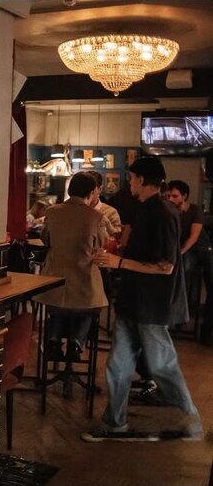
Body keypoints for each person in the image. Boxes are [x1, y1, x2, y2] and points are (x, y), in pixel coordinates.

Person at [84, 157, 202, 442]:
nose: (129, 183)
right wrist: (119, 256)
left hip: (152, 304)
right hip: (133, 301)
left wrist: (119, 262)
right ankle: (115, 423)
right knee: (118, 365)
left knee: (162, 365)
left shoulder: (162, 213)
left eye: (132, 177)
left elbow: (166, 266)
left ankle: (191, 422)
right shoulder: (146, 209)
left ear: (142, 179)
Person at [32, 172, 108, 362]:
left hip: (53, 282)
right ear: (91, 193)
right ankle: (76, 342)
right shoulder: (96, 217)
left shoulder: (52, 212)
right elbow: (101, 244)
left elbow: (46, 238)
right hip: (84, 282)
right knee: (90, 304)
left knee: (58, 305)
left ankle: (53, 340)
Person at [167, 180, 213, 345]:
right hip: (186, 251)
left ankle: (205, 328)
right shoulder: (170, 212)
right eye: (169, 196)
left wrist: (179, 253)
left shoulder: (194, 210)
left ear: (184, 196)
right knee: (182, 274)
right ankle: (180, 315)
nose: (171, 199)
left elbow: (194, 237)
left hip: (201, 248)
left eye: (175, 196)